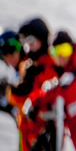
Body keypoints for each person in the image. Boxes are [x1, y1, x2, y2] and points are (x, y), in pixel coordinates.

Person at [8, 17, 60, 151]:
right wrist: (16, 91)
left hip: (45, 136)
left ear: (42, 39)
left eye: (31, 41)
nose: (28, 46)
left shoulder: (52, 64)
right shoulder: (27, 65)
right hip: (26, 134)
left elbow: (52, 100)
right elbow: (19, 103)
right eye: (26, 42)